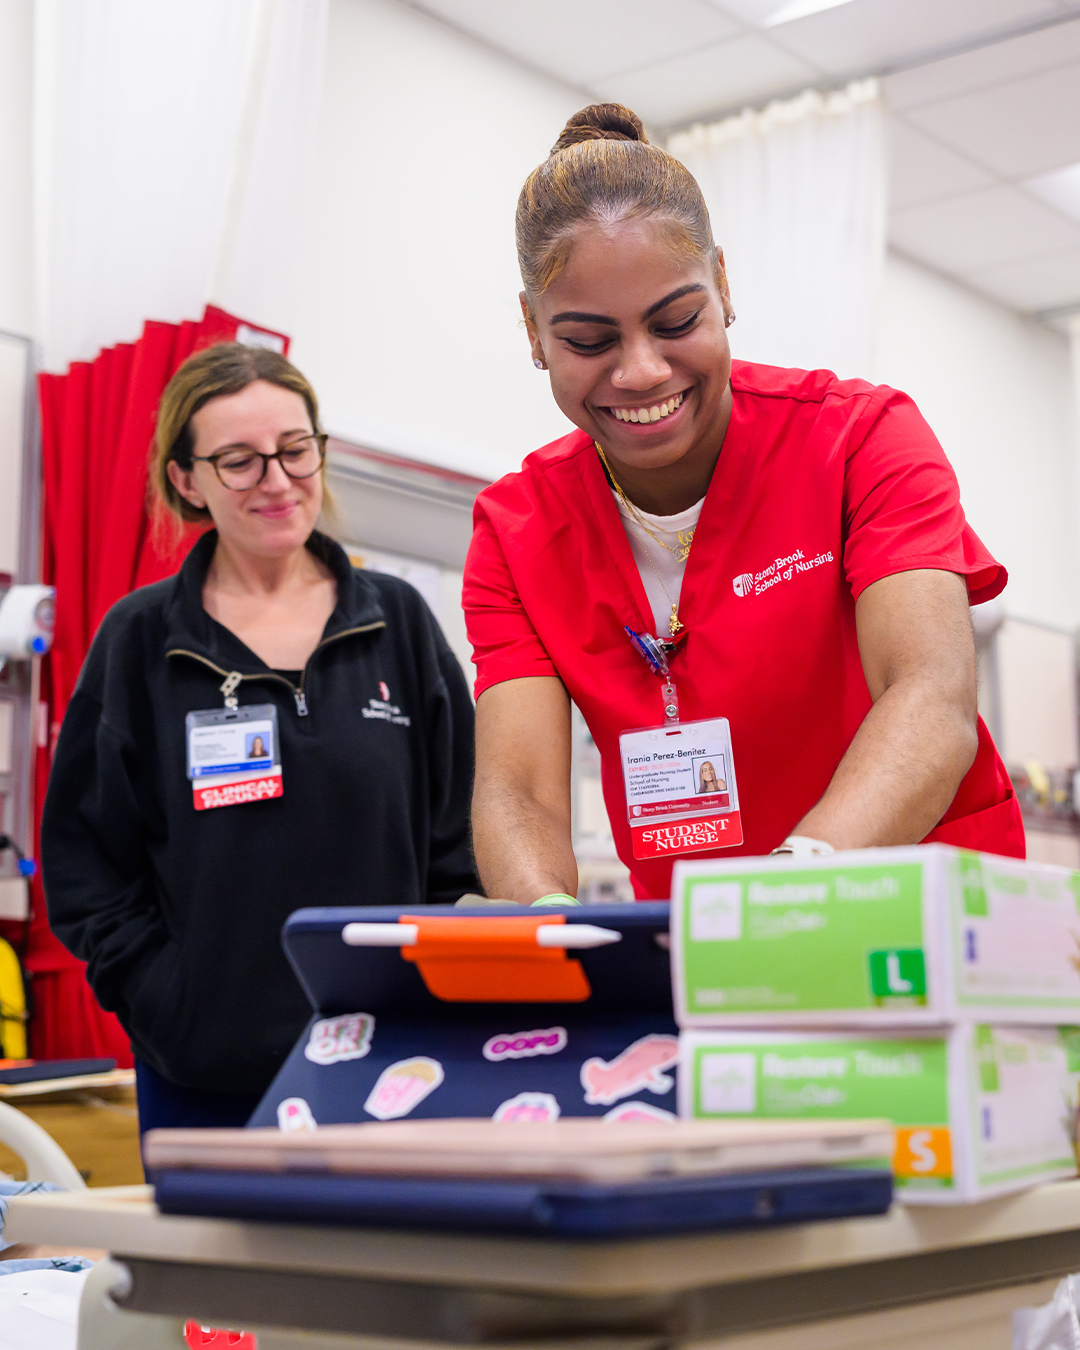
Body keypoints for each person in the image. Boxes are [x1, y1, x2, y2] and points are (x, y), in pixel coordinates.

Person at [464, 103, 1023, 907]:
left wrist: (789, 892)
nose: (643, 371)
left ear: (723, 285)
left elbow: (930, 699)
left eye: (676, 320)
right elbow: (521, 792)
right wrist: (549, 924)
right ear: (533, 331)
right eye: (589, 341)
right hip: (702, 947)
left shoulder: (860, 438)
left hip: (921, 909)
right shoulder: (516, 532)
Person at [42, 343, 478, 1129]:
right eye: (239, 461)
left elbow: (461, 842)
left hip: (393, 1067)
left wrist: (436, 997)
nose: (276, 482)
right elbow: (87, 870)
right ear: (187, 479)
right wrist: (172, 1005)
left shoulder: (398, 624)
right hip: (207, 1083)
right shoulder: (141, 643)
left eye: (294, 450)